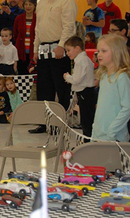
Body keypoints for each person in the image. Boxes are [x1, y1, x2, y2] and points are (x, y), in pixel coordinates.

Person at [30, 0, 77, 133]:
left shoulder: (67, 2)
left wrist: (62, 45)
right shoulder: (41, 3)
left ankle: (61, 122)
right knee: (43, 88)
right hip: (43, 48)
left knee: (61, 88)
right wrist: (35, 48)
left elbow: (69, 25)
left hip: (59, 47)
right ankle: (44, 123)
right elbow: (38, 28)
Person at [92, 34, 130, 142]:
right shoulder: (105, 76)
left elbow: (127, 108)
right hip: (99, 134)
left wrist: (112, 130)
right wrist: (94, 130)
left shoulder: (121, 77)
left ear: (116, 53)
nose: (99, 54)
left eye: (104, 51)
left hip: (114, 137)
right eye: (98, 51)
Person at [63, 36, 96, 137]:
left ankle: (88, 142)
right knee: (87, 118)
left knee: (86, 120)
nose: (67, 53)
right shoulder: (82, 59)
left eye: (68, 50)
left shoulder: (81, 61)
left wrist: (67, 77)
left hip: (85, 92)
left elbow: (77, 79)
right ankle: (88, 140)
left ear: (77, 48)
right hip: (86, 92)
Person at [13, 0, 36, 75]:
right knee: (22, 75)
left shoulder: (38, 18)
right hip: (21, 51)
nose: (28, 6)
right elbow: (15, 34)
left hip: (33, 52)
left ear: (34, 6)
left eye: (30, 4)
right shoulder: (18, 18)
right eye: (26, 4)